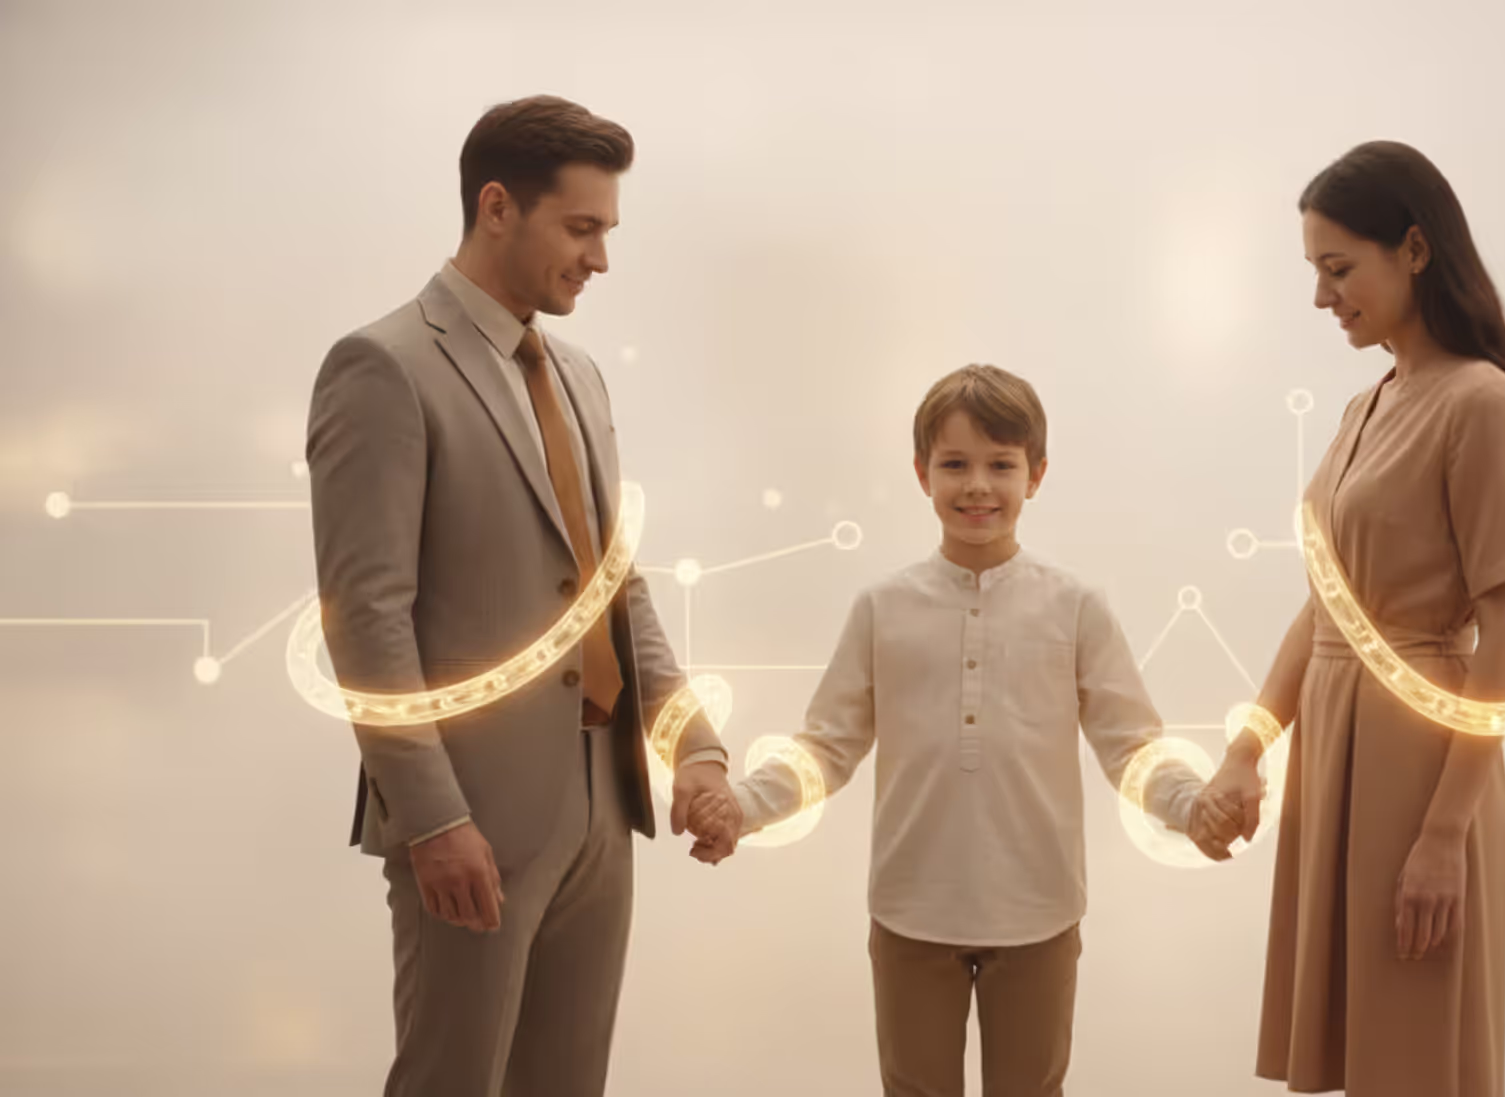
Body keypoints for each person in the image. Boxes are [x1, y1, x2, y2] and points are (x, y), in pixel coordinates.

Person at [305, 94, 742, 1097]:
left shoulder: (582, 375)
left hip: (602, 801)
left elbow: (613, 590)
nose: (600, 258)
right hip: (470, 813)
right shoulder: (382, 366)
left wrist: (696, 745)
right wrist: (431, 817)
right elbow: (365, 615)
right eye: (581, 228)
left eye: (607, 231)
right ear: (496, 206)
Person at [694, 364, 1243, 1096]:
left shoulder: (1075, 606)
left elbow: (1131, 746)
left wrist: (1189, 806)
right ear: (922, 473)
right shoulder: (882, 607)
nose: (977, 485)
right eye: (954, 464)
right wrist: (743, 805)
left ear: (1037, 474)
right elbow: (826, 747)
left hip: (1041, 909)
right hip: (910, 910)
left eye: (1000, 464)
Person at [1205, 140, 1505, 1096]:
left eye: (1338, 268)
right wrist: (1250, 745)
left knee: (1412, 1051)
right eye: (1315, 272)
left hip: (1419, 765)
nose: (1324, 298)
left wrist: (1447, 831)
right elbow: (1328, 607)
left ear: (1413, 249)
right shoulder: (1368, 403)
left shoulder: (1481, 405)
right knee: (1358, 1052)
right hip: (1336, 752)